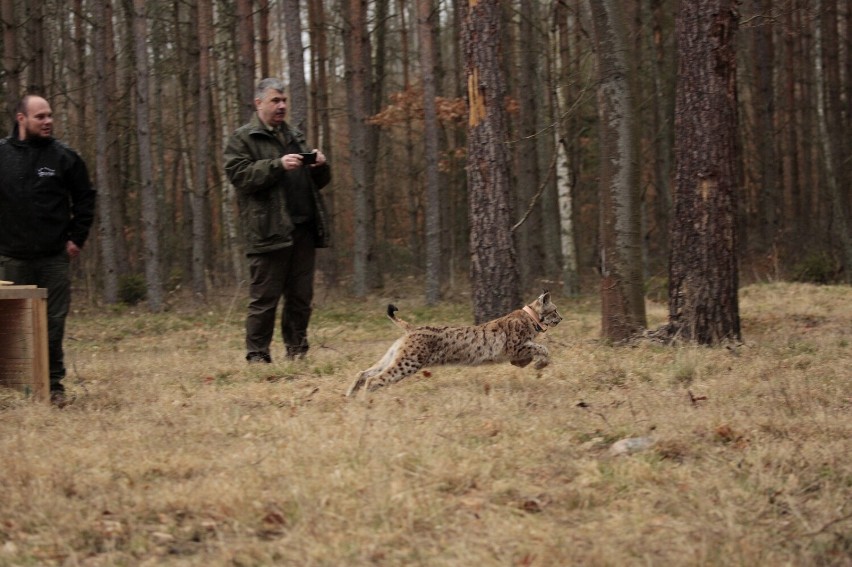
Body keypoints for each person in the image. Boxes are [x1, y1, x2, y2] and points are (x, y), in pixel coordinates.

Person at [224, 78, 331, 363]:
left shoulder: (295, 135)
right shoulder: (243, 138)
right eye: (275, 101)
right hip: (268, 230)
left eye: (284, 101)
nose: (282, 106)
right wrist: (277, 165)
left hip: (303, 229)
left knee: (300, 298)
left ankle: (297, 352)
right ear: (258, 103)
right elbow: (240, 175)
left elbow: (319, 182)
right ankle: (257, 356)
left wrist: (320, 165)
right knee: (264, 300)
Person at [0, 95, 96, 405]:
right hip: (12, 258)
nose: (48, 121)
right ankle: (15, 390)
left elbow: (85, 198)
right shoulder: (2, 155)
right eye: (40, 116)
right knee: (11, 329)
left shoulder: (64, 157)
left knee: (52, 325)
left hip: (53, 258)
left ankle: (53, 387)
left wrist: (76, 239)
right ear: (21, 119)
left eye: (50, 115)